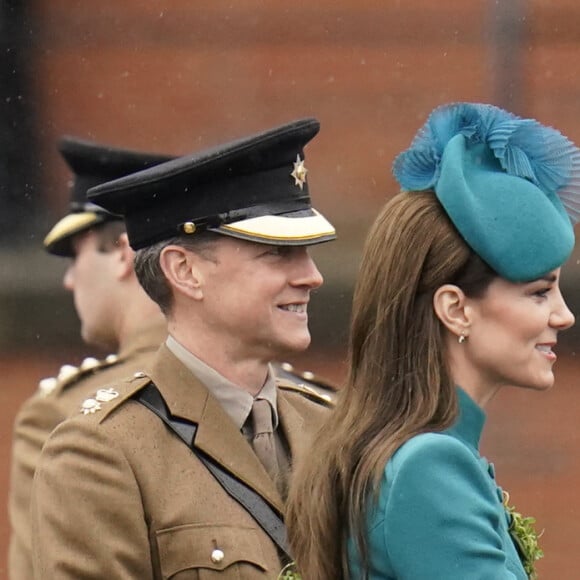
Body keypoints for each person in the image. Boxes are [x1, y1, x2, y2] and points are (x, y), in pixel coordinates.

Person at [30, 118, 336, 579]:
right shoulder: (103, 453)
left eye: (307, 252)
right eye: (277, 253)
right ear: (185, 271)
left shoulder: (332, 430)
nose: (311, 276)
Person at [286, 102, 578, 579]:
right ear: (455, 308)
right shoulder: (429, 466)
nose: (564, 316)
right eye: (540, 292)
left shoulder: (418, 453)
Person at [8, 137, 172, 580]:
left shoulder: (63, 413)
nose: (67, 280)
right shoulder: (301, 401)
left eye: (74, 253)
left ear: (122, 254)